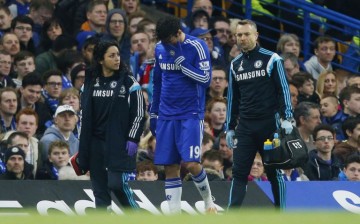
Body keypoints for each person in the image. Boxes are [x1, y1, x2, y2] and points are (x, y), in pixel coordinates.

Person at [150, 15, 217, 214]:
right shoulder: (160, 48)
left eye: (167, 39)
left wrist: (184, 66)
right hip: (165, 114)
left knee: (191, 163)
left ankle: (208, 202)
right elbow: (158, 82)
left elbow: (205, 80)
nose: (165, 44)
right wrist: (154, 113)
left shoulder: (197, 46)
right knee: (170, 166)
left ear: (178, 32)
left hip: (190, 112)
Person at [225, 19, 293, 209]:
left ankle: (281, 214)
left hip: (270, 127)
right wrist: (229, 127)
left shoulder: (272, 59)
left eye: (247, 34)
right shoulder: (235, 64)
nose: (243, 38)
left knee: (274, 172)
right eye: (239, 35)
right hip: (245, 128)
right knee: (239, 173)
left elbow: (283, 90)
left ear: (256, 35)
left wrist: (287, 117)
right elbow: (233, 98)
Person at [78, 40, 145, 211]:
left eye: (118, 55)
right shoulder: (89, 84)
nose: (117, 59)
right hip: (95, 144)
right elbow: (83, 116)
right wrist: (82, 144)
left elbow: (139, 112)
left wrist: (133, 137)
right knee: (100, 192)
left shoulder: (129, 82)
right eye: (111, 56)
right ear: (101, 60)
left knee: (116, 184)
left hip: (119, 142)